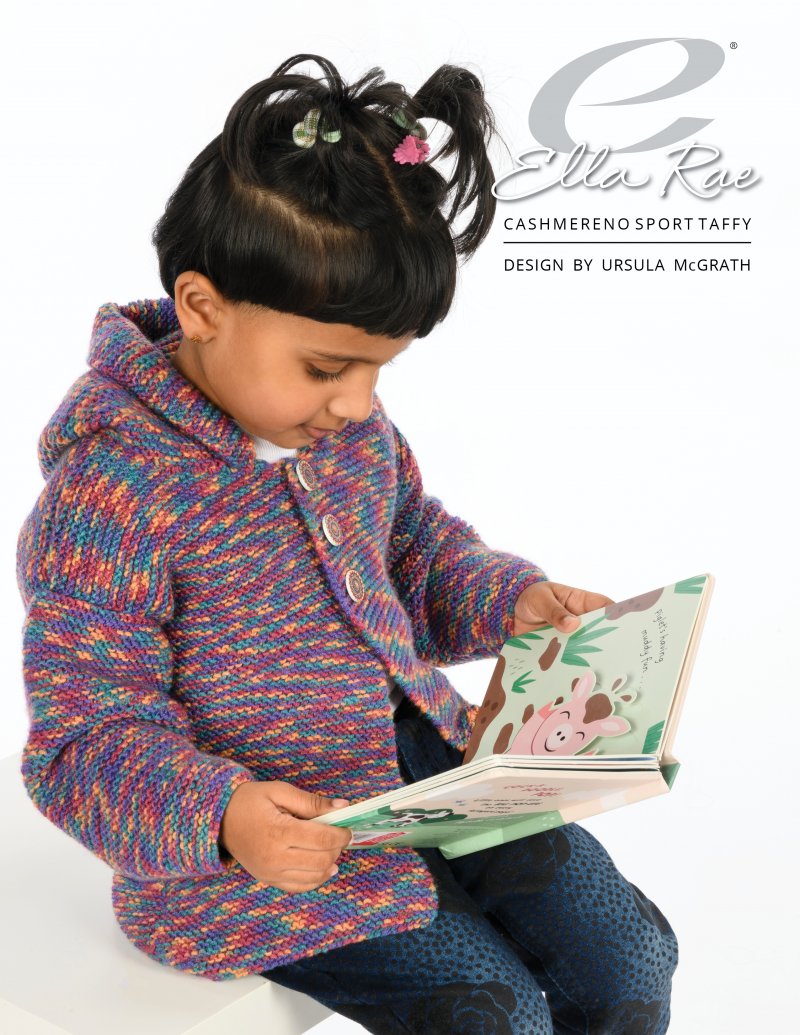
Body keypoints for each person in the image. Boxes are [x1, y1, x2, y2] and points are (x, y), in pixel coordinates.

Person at [16, 53, 678, 1034]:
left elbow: (412, 551)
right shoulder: (109, 498)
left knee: (628, 954)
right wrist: (223, 815)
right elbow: (84, 737)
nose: (358, 405)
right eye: (328, 368)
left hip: (431, 775)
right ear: (201, 307)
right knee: (493, 1012)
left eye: (378, 371)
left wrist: (510, 599)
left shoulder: (343, 434)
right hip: (267, 851)